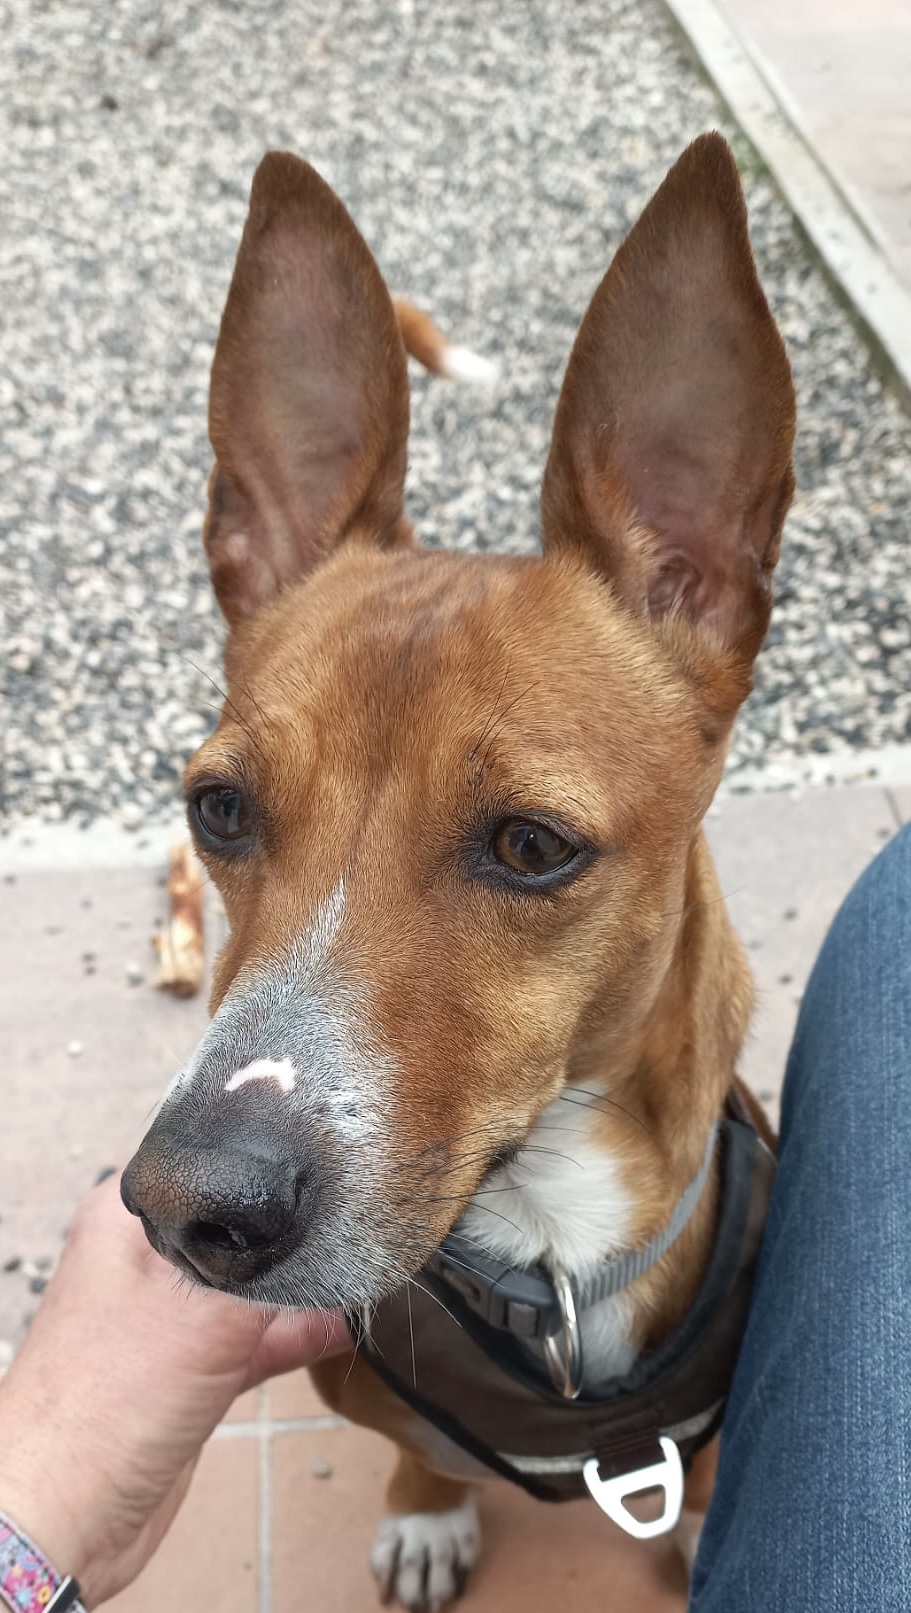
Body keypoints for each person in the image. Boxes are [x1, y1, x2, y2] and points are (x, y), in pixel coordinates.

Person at [1, 825, 909, 1611]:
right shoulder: (357, 1348)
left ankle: (705, 1491)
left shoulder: (751, 1230)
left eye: (526, 845)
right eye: (230, 813)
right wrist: (46, 1492)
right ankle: (435, 1480)